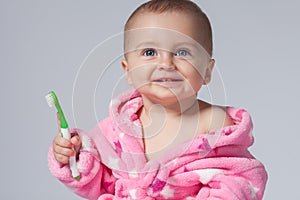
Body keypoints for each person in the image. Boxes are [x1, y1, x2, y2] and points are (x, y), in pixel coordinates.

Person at [48, 0, 267, 199]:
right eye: (150, 52)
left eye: (182, 52)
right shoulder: (117, 128)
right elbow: (98, 182)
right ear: (129, 71)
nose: (166, 63)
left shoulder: (215, 125)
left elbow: (240, 181)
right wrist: (74, 156)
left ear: (207, 71)